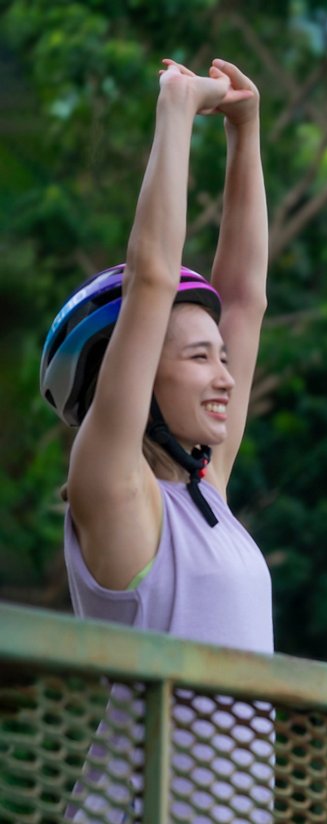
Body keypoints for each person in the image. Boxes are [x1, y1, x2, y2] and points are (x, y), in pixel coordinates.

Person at [39, 58, 273, 820]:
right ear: (130, 380)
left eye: (223, 358)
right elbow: (151, 279)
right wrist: (176, 109)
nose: (225, 377)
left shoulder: (209, 494)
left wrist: (246, 133)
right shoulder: (116, 492)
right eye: (198, 358)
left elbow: (244, 296)